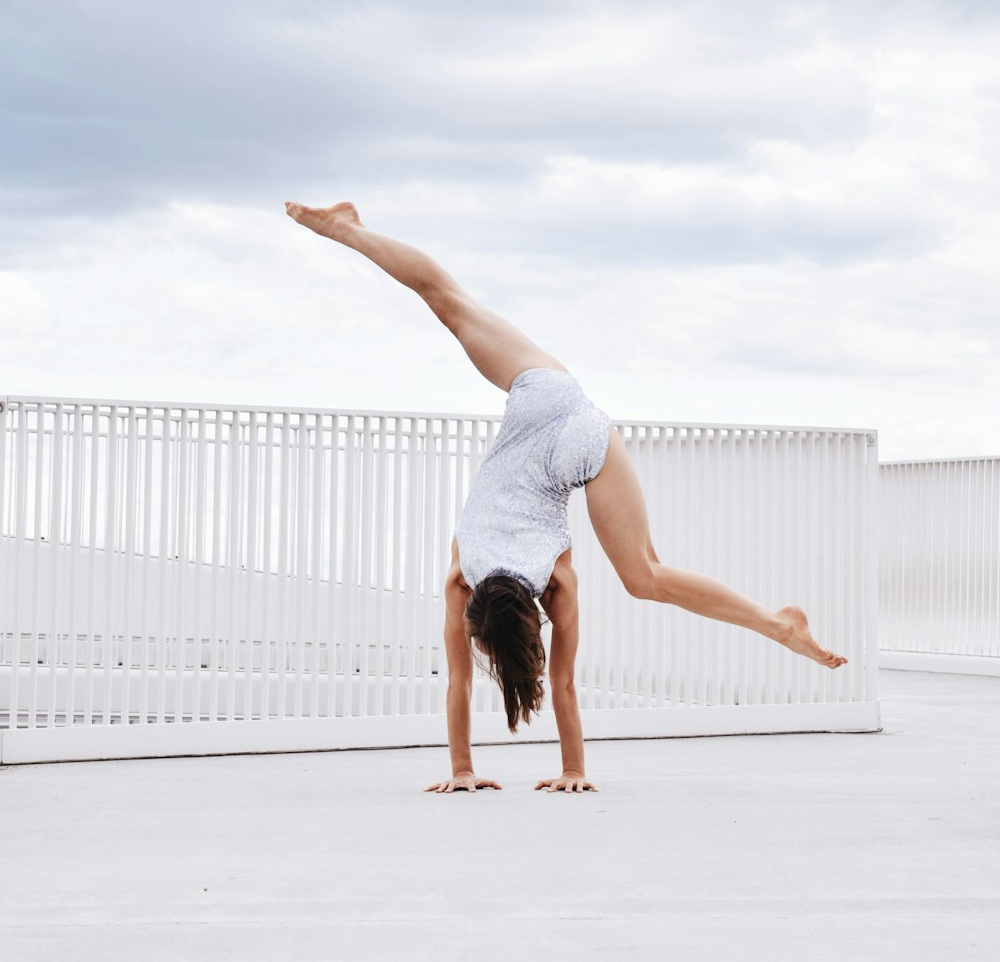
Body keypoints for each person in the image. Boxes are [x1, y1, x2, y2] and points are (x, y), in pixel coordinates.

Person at [285, 202, 848, 795]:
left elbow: (530, 683)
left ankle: (778, 624)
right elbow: (479, 682)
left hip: (575, 438)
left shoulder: (554, 584)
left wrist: (475, 772)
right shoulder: (462, 576)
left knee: (646, 577)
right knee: (447, 301)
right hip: (549, 401)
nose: (475, 648)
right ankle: (348, 229)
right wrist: (510, 771)